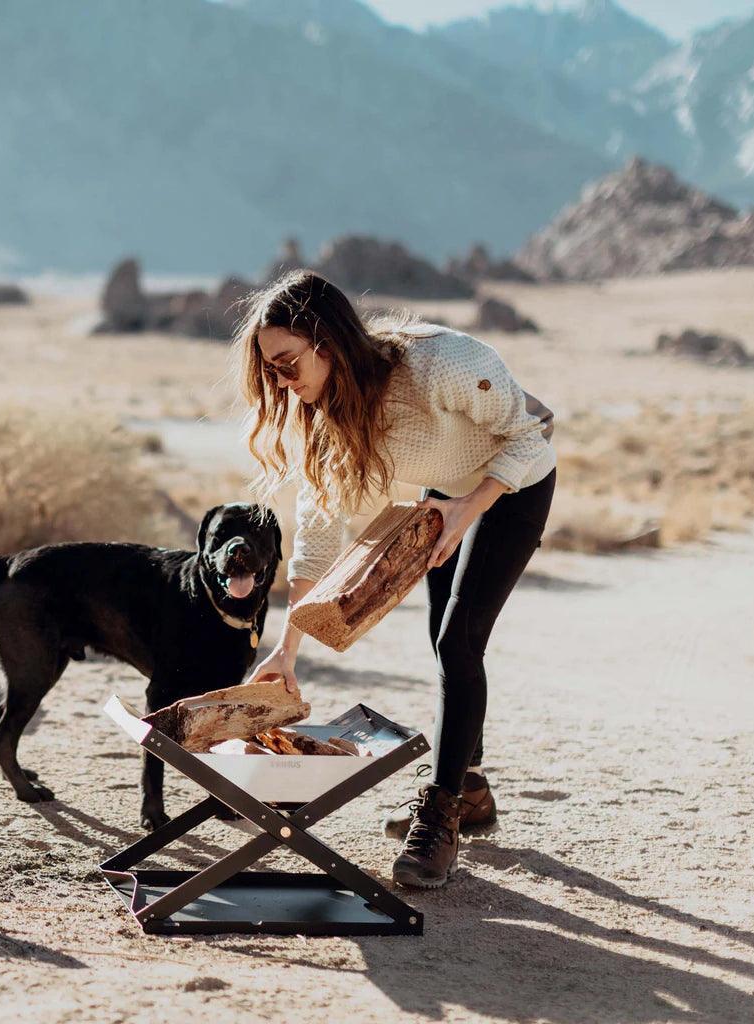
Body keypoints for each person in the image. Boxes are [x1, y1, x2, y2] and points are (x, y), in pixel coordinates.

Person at [232, 270, 556, 889]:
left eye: (286, 363)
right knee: (443, 636)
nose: (281, 381)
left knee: (459, 642)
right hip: (447, 490)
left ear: (327, 341)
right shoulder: (326, 416)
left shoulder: (441, 363)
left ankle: (440, 816)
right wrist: (287, 649)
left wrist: (470, 507)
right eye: (269, 370)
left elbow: (533, 434)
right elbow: (318, 540)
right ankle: (470, 786)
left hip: (513, 482)